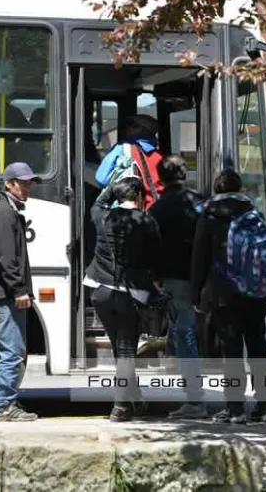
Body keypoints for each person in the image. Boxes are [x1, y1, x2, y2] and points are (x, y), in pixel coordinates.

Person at [191, 169, 266, 424]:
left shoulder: (210, 214)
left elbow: (200, 256)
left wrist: (196, 294)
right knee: (258, 346)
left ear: (217, 190)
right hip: (256, 292)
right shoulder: (253, 212)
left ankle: (235, 408)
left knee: (231, 349)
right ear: (239, 188)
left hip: (224, 292)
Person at [84, 176, 163, 421]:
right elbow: (155, 258)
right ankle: (121, 406)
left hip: (100, 292)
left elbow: (98, 202)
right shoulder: (147, 221)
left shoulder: (103, 216)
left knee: (120, 347)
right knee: (127, 349)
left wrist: (113, 186)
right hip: (131, 293)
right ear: (139, 197)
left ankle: (134, 397)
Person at [148, 155, 208, 419]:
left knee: (184, 332)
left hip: (174, 279)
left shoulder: (158, 209)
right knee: (187, 331)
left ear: (160, 178)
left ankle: (195, 400)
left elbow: (153, 247)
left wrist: (155, 276)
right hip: (205, 279)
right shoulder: (202, 202)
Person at [0, 161, 39, 421]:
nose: (27, 187)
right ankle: (4, 406)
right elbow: (6, 258)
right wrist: (19, 290)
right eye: (22, 183)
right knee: (13, 351)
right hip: (6, 294)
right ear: (9, 183)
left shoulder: (6, 210)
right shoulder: (5, 213)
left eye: (29, 183)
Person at [95, 114, 164, 209]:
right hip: (155, 210)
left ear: (144, 130)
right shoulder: (160, 157)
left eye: (132, 125)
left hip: (130, 211)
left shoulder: (122, 148)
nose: (127, 127)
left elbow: (101, 178)